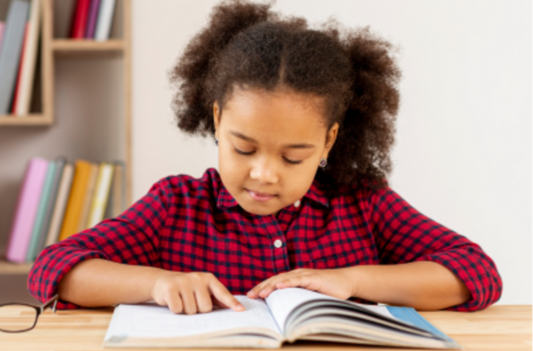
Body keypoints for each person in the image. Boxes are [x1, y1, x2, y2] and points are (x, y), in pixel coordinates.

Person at [28, 0, 502, 314]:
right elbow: (52, 270)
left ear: (329, 141)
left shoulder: (361, 202)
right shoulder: (177, 205)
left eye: (294, 157)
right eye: (243, 147)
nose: (263, 173)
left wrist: (353, 280)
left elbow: (476, 272)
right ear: (216, 121)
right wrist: (156, 284)